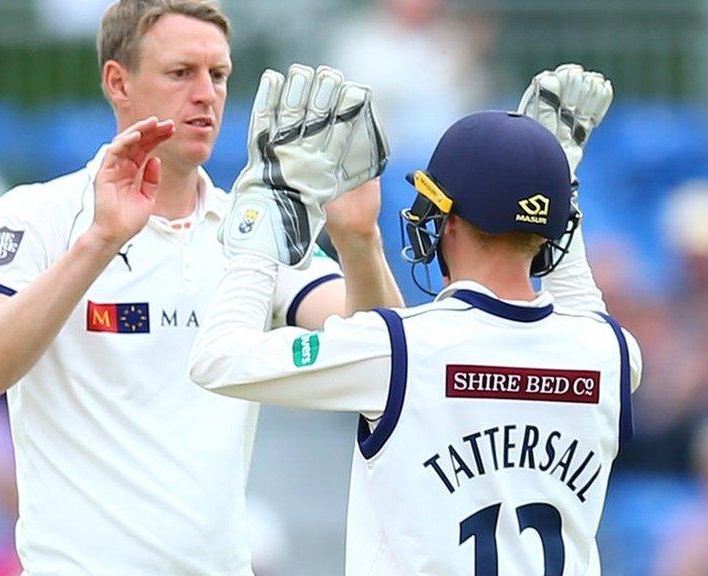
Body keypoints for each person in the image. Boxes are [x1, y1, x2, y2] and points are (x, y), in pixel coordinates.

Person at [0, 1, 401, 574]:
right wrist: (101, 240)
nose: (207, 93)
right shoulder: (38, 213)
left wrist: (359, 239)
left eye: (219, 75)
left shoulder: (253, 232)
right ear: (118, 81)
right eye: (181, 73)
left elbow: (384, 357)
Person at [189, 64, 643, 574]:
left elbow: (217, 359)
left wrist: (268, 209)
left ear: (447, 221)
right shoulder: (615, 355)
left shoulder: (399, 348)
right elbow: (576, 296)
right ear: (555, 231)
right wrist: (553, 174)